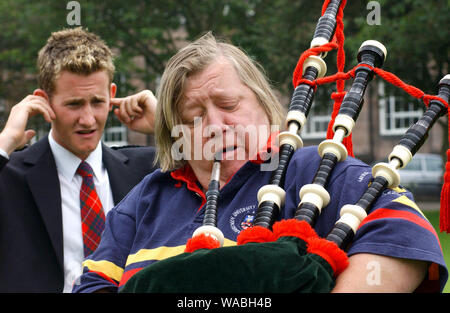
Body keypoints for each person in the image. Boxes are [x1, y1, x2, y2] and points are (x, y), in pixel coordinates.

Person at [73, 32, 447, 293]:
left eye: (229, 105)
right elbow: (93, 287)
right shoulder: (142, 203)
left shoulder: (314, 171)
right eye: (193, 116)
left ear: (263, 104)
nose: (216, 126)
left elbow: (407, 235)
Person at [0, 27, 157, 292]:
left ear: (112, 95)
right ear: (43, 101)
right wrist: (5, 140)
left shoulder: (147, 170)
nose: (88, 119)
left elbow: (221, 171)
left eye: (97, 102)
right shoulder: (9, 177)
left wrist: (165, 126)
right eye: (74, 104)